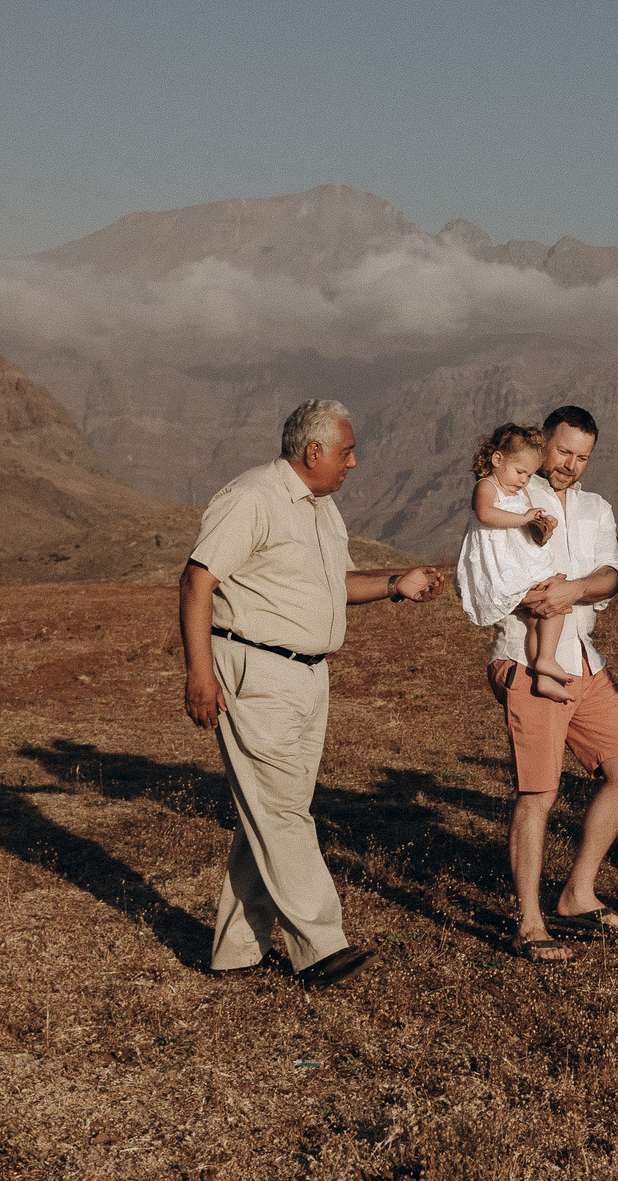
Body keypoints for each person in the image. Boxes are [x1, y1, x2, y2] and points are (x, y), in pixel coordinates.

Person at [178, 399, 442, 986]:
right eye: (346, 451)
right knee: (281, 812)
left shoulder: (323, 509)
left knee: (272, 814)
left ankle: (235, 951)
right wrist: (200, 673)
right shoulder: (252, 498)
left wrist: (397, 585)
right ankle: (320, 947)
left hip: (308, 676)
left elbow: (335, 585)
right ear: (314, 451)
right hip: (256, 671)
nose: (355, 461)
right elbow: (198, 579)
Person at [471, 406, 618, 957]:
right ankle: (529, 922)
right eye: (563, 451)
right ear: (542, 443)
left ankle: (578, 894)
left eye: (582, 456)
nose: (571, 464)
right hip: (525, 659)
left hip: (585, 661)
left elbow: (613, 573)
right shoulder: (514, 496)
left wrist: (575, 590)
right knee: (539, 791)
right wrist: (545, 595)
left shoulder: (597, 507)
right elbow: (489, 569)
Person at [455, 423, 572, 699]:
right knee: (545, 603)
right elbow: (485, 514)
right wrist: (524, 518)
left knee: (549, 603)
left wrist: (543, 528)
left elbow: (530, 535)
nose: (523, 481)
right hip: (503, 567)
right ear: (497, 459)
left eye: (529, 475)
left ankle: (544, 664)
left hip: (524, 560)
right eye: (520, 472)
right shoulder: (487, 486)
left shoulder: (521, 493)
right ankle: (544, 662)